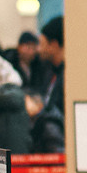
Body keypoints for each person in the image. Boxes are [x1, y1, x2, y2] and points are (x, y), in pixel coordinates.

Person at [31, 16, 66, 152]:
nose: (38, 49)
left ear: (54, 44)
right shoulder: (49, 72)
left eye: (41, 44)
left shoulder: (67, 78)